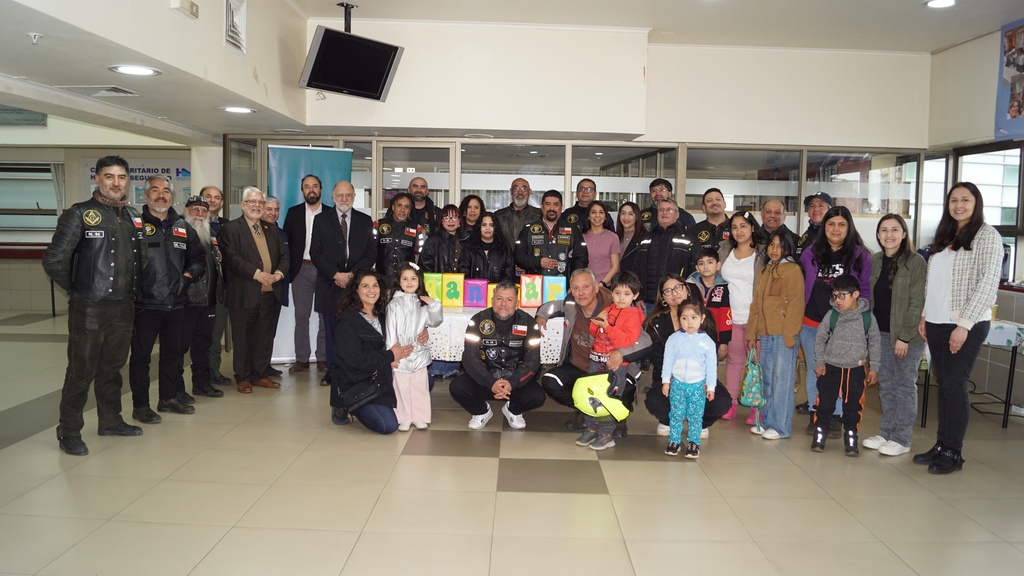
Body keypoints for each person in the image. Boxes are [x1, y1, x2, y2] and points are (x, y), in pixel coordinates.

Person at [42, 155, 146, 455]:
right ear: (97, 179)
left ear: (127, 181)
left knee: (112, 368)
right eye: (109, 176)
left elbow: (141, 259)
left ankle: (111, 420)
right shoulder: (78, 214)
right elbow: (54, 260)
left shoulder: (132, 216)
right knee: (81, 371)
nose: (116, 182)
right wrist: (80, 290)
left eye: (121, 177)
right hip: (89, 307)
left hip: (123, 307)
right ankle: (69, 431)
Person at [914, 182, 1003, 474]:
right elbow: (933, 282)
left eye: (965, 199)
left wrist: (964, 325)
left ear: (976, 203)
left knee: (955, 384)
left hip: (965, 322)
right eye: (954, 200)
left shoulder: (987, 236)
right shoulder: (945, 235)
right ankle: (942, 445)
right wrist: (925, 315)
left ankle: (953, 451)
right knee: (944, 384)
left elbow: (988, 284)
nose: (959, 205)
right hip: (937, 321)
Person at [128, 176, 206, 422]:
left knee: (172, 355)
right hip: (145, 305)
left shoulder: (183, 226)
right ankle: (141, 406)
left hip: (177, 303)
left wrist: (187, 277)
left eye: (166, 191)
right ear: (145, 195)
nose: (161, 195)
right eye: (155, 190)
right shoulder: (134, 225)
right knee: (141, 357)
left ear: (172, 196)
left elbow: (198, 260)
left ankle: (168, 399)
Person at [536, 269, 652, 433]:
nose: (581, 293)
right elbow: (554, 305)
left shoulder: (616, 307)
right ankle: (587, 410)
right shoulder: (571, 304)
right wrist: (541, 314)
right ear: (571, 290)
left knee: (626, 384)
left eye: (586, 287)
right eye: (576, 288)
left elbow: (645, 340)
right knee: (551, 380)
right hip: (580, 367)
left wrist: (622, 353)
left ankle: (616, 416)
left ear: (597, 287)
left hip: (610, 368)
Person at [800, 205, 871, 438]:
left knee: (841, 373)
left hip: (845, 326)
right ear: (824, 227)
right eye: (831, 224)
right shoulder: (810, 253)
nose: (836, 229)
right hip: (811, 322)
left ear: (849, 227)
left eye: (841, 224)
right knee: (815, 370)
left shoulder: (860, 255)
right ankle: (817, 413)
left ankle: (835, 417)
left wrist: (862, 322)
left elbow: (865, 291)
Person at [863, 214, 926, 456]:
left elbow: (917, 302)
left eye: (894, 230)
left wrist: (905, 337)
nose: (889, 235)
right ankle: (887, 432)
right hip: (880, 333)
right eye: (884, 230)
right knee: (886, 384)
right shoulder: (876, 260)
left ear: (904, 233)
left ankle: (902, 438)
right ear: (878, 235)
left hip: (905, 337)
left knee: (904, 386)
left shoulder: (916, 262)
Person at [218, 186, 289, 394]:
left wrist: (278, 274)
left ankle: (260, 375)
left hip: (270, 293)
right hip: (244, 293)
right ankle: (243, 377)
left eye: (260, 202)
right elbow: (232, 258)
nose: (257, 206)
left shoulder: (271, 229)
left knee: (264, 337)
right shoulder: (231, 229)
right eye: (252, 202)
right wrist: (257, 274)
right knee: (242, 338)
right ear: (243, 205)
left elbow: (284, 256)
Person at [643, 274, 732, 439]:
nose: (674, 293)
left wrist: (704, 380)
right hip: (670, 379)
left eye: (678, 287)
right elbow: (656, 355)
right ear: (663, 298)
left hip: (700, 378)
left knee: (722, 401)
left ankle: (700, 423)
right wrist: (673, 376)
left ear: (687, 289)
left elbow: (710, 353)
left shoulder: (705, 316)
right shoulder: (655, 321)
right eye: (668, 291)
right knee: (655, 400)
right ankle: (668, 420)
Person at [449, 281, 547, 430]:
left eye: (509, 299)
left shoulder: (529, 323)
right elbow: (470, 358)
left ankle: (513, 410)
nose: (503, 304)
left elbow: (532, 360)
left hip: (514, 382)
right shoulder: (477, 320)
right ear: (492, 300)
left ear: (517, 304)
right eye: (499, 298)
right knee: (457, 387)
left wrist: (512, 382)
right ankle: (481, 411)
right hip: (485, 380)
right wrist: (491, 382)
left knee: (537, 396)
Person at [310, 181, 376, 386]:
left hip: (356, 287)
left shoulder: (365, 221)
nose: (344, 199)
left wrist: (352, 275)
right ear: (333, 197)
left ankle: (355, 370)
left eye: (348, 195)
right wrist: (335, 274)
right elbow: (315, 253)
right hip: (330, 284)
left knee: (355, 331)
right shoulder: (321, 220)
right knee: (331, 331)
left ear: (354, 197)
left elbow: (371, 253)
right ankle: (333, 370)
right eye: (340, 195)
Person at [331, 270, 413, 434]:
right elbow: (355, 359)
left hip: (382, 376)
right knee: (387, 425)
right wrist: (390, 356)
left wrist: (423, 332)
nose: (371, 290)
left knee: (426, 381)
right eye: (365, 286)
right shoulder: (347, 321)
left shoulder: (384, 315)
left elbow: (405, 332)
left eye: (375, 285)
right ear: (356, 290)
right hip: (359, 382)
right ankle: (346, 404)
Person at [810, 275, 881, 456]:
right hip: (830, 368)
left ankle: (851, 441)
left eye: (842, 296)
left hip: (856, 370)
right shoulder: (832, 315)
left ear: (855, 294)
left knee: (853, 408)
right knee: (824, 405)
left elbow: (875, 342)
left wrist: (874, 367)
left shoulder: (867, 318)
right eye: (835, 296)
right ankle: (819, 438)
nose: (838, 301)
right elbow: (820, 338)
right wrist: (820, 362)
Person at [746, 228, 805, 440]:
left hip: (783, 336)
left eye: (780, 246)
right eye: (771, 244)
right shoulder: (764, 271)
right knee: (767, 379)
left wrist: (790, 335)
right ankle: (766, 421)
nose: (774, 249)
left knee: (782, 381)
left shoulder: (792, 270)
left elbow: (796, 304)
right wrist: (751, 333)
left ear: (788, 248)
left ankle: (780, 427)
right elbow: (756, 305)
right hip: (765, 334)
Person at [576, 271, 645, 450]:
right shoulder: (609, 309)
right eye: (617, 293)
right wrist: (597, 323)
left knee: (608, 397)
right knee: (591, 395)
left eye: (627, 294)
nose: (621, 298)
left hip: (616, 366)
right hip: (596, 359)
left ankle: (606, 434)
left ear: (635, 295)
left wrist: (607, 326)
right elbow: (594, 331)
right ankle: (591, 428)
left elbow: (626, 341)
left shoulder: (633, 315)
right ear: (611, 292)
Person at [718, 211, 766, 424]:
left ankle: (757, 407)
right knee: (734, 361)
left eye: (744, 226)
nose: (739, 231)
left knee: (757, 364)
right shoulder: (724, 250)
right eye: (734, 227)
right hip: (731, 318)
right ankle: (730, 403)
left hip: (756, 318)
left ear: (753, 228)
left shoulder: (763, 253)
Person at [386, 263, 443, 431]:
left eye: (413, 278)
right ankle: (404, 417)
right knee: (401, 387)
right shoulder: (394, 305)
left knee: (419, 386)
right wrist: (392, 355)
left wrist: (433, 305)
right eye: (405, 279)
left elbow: (435, 321)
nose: (409, 282)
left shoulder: (422, 304)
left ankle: (420, 416)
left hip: (419, 352)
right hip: (401, 353)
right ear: (399, 281)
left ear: (419, 281)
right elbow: (390, 331)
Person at [178, 195, 225, 399]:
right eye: (195, 209)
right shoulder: (177, 232)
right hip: (185, 300)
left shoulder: (211, 234)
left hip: (208, 301)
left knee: (203, 345)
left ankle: (202, 384)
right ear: (186, 210)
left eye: (203, 210)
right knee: (179, 348)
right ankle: (176, 391)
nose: (199, 214)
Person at [660, 300, 718, 458]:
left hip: (698, 386)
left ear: (702, 318)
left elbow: (711, 367)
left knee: (695, 416)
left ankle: (693, 442)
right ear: (679, 319)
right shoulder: (674, 339)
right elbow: (667, 361)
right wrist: (666, 381)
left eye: (694, 317)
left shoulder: (707, 342)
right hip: (677, 384)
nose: (689, 322)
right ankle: (674, 441)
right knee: (676, 414)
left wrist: (710, 387)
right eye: (684, 318)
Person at [282, 174, 327, 374]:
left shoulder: (331, 213)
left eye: (315, 186)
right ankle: (302, 358)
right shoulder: (293, 213)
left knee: (325, 317)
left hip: (325, 271)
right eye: (307, 186)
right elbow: (286, 243)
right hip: (301, 269)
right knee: (301, 317)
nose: (311, 190)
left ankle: (323, 357)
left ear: (321, 189)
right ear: (302, 191)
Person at [632, 198, 697, 308]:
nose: (664, 213)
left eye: (669, 210)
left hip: (677, 301)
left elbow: (694, 271)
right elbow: (637, 268)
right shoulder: (646, 238)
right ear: (657, 214)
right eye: (661, 210)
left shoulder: (688, 238)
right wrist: (638, 296)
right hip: (648, 303)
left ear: (677, 214)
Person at [514, 190, 588, 278]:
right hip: (535, 284)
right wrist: (538, 262)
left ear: (561, 207)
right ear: (542, 207)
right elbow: (518, 256)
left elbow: (581, 259)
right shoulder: (528, 229)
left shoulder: (573, 230)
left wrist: (573, 281)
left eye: (556, 204)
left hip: (564, 283)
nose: (552, 208)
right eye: (548, 204)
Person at [201, 185, 232, 387]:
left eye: (216, 198)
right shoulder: (189, 224)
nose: (212, 200)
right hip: (197, 289)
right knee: (198, 335)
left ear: (221, 203)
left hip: (221, 288)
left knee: (216, 332)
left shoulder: (227, 227)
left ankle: (213, 370)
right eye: (208, 197)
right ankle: (200, 375)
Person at [684, 247, 731, 362]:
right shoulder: (689, 286)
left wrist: (724, 342)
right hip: (691, 336)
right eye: (701, 263)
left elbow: (725, 316)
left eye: (710, 262)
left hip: (713, 338)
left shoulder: (723, 287)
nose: (705, 266)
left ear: (718, 265)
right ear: (697, 268)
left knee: (710, 366)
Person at [260, 196, 288, 378]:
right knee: (256, 332)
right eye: (269, 209)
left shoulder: (282, 233)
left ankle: (264, 365)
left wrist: (277, 276)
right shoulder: (254, 232)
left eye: (276, 210)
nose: (273, 213)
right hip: (257, 289)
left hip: (276, 290)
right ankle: (252, 368)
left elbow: (286, 259)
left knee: (269, 331)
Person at [375, 192, 421, 286]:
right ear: (393, 207)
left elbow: (420, 256)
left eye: (406, 207)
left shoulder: (418, 229)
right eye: (399, 205)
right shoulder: (378, 225)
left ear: (410, 210)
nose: (403, 210)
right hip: (381, 278)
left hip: (406, 280)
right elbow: (371, 251)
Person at [460, 212, 515, 283]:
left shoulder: (505, 249)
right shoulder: (468, 249)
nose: (487, 228)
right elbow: (463, 273)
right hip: (474, 289)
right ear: (479, 227)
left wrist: (497, 288)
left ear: (495, 227)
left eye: (491, 225)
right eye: (484, 225)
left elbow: (509, 276)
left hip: (498, 289)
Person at [494, 178, 542, 250]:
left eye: (524, 188)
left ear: (529, 192)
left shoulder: (539, 215)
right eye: (516, 188)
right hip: (504, 257)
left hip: (531, 257)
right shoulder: (498, 216)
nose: (520, 192)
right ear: (511, 191)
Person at [582, 200, 620, 286]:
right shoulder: (581, 237)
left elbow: (615, 267)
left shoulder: (613, 237)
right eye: (593, 212)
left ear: (605, 216)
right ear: (588, 216)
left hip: (606, 286)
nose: (597, 215)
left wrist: (602, 283)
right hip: (586, 286)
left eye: (601, 212)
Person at [418, 204, 463, 274]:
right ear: (441, 221)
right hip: (436, 280)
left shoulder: (466, 240)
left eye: (454, 217)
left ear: (460, 220)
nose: (451, 221)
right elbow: (424, 269)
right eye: (446, 218)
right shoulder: (432, 241)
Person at [795, 191, 831, 256]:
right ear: (808, 212)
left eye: (821, 206)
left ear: (829, 210)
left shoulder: (833, 234)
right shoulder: (806, 235)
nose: (816, 209)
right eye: (812, 206)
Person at [616, 201, 644, 274]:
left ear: (637, 216)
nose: (626, 217)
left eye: (631, 214)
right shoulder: (614, 236)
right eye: (623, 213)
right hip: (615, 279)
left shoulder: (644, 238)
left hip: (633, 279)